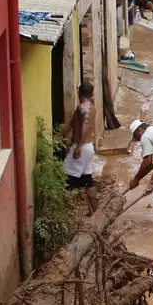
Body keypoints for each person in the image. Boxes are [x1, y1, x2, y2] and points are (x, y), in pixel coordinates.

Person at [64, 82, 99, 215]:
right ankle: (93, 211)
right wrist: (56, 136)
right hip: (88, 148)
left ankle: (64, 216)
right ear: (93, 94)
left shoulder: (82, 108)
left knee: (65, 181)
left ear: (78, 93)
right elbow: (71, 125)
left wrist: (78, 146)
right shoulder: (92, 108)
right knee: (88, 181)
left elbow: (84, 124)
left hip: (82, 148)